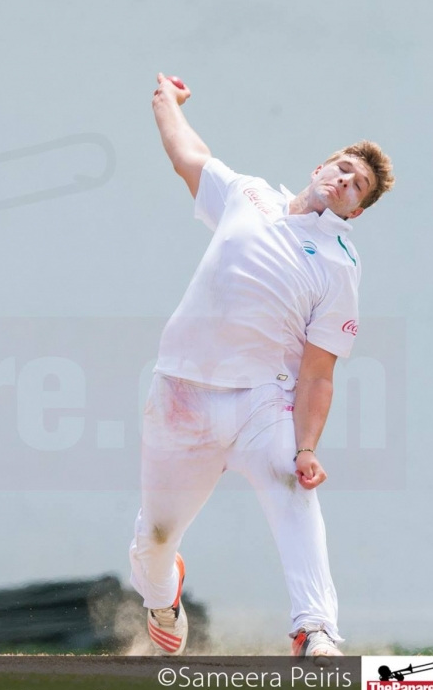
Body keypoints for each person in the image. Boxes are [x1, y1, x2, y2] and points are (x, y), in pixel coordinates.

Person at [129, 73, 394, 659]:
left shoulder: (339, 264)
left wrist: (307, 448)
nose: (345, 180)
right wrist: (166, 101)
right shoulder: (247, 194)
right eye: (343, 167)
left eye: (358, 185)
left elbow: (319, 372)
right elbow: (188, 154)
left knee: (291, 486)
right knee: (155, 537)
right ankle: (162, 596)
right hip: (180, 395)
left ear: (355, 210)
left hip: (260, 402)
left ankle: (314, 629)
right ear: (320, 168)